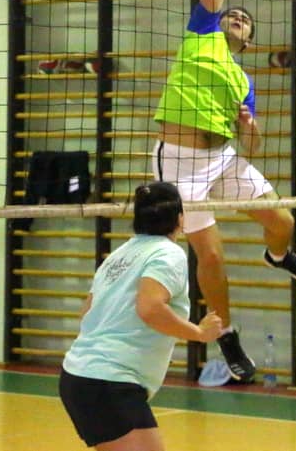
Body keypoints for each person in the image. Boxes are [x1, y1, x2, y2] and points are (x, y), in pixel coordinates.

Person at [153, 0, 296, 383]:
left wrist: (250, 126)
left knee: (283, 222)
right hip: (181, 163)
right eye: (234, 14)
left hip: (224, 157)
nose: (238, 18)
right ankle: (225, 333)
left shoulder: (243, 81)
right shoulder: (201, 34)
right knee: (211, 256)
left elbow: (254, 144)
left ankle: (278, 256)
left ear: (249, 41)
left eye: (246, 21)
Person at [59, 182, 224, 451]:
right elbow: (149, 308)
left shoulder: (118, 255)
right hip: (109, 381)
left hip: (79, 376)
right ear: (180, 219)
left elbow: (87, 312)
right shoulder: (169, 253)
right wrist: (199, 333)